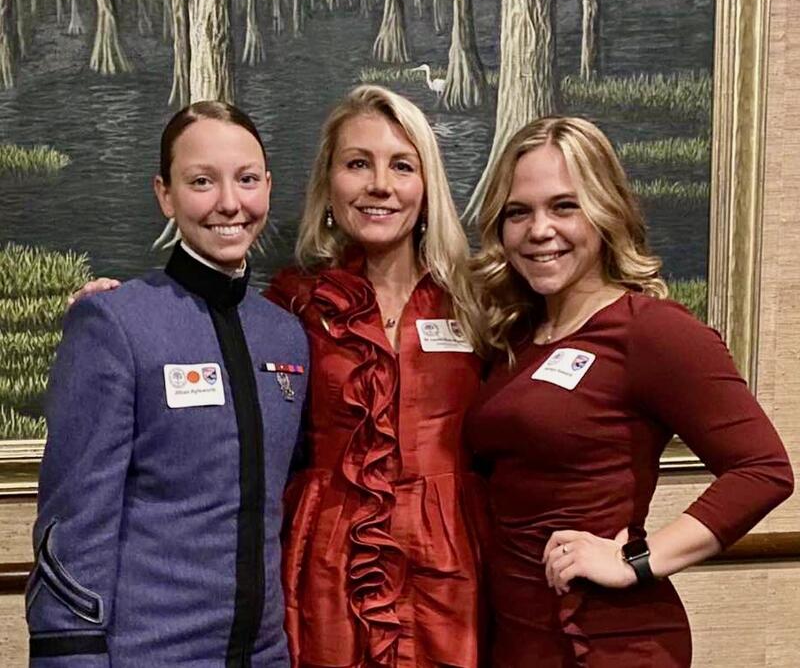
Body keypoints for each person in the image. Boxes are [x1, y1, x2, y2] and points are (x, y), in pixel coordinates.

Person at [463, 116, 794, 667]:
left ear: (605, 212)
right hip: (518, 637)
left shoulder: (651, 329)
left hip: (607, 641)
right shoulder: (516, 337)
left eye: (565, 206)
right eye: (518, 212)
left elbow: (763, 470)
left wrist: (637, 560)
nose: (539, 229)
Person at [27, 101, 308, 666]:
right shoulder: (115, 322)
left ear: (269, 188)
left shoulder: (285, 336)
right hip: (147, 653)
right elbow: (74, 522)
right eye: (202, 181)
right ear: (165, 194)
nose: (230, 203)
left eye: (247, 180)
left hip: (265, 656)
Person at [266, 85, 487, 667]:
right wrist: (120, 308)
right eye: (358, 164)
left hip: (453, 558)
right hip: (332, 555)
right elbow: (208, 347)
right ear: (329, 183)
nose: (379, 185)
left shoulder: (478, 301)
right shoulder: (292, 303)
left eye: (401, 165)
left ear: (426, 184)